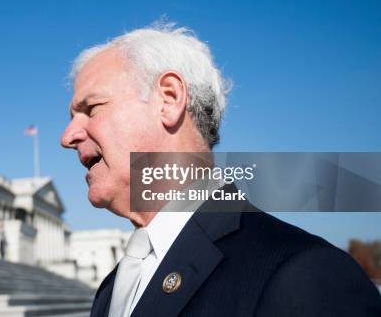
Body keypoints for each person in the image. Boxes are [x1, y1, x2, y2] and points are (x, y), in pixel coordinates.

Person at [60, 23, 381, 316]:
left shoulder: (305, 274)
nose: (67, 136)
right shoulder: (111, 290)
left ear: (169, 99)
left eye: (91, 108)